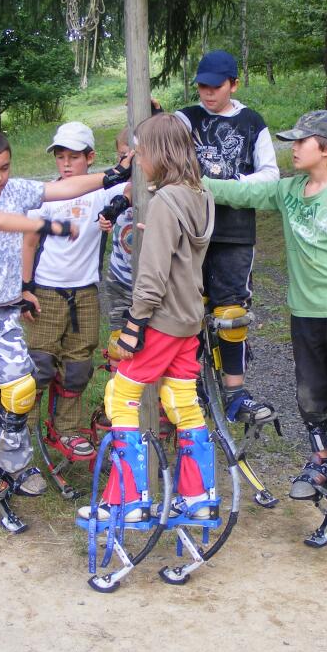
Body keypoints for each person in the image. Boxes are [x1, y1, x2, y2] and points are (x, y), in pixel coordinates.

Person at [0, 127, 131, 504]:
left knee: (20, 389)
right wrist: (45, 225)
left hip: (3, 309)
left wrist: (111, 175)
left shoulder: (15, 189)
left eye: (4, 168)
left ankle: (13, 465)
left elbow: (63, 189)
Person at [202, 110, 327, 519]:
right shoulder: (288, 190)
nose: (294, 148)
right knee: (311, 394)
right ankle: (322, 460)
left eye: (302, 141)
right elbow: (240, 194)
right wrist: (191, 182)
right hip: (305, 314)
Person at [78, 113, 215, 522]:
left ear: (159, 152)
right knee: (182, 400)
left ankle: (128, 499)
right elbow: (183, 254)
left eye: (141, 152)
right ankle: (198, 497)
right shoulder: (200, 194)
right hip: (189, 318)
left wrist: (133, 326)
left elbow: (153, 276)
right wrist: (155, 229)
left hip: (161, 320)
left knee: (120, 395)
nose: (137, 159)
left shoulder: (163, 203)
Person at [174, 49, 280, 426]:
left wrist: (230, 184)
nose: (207, 93)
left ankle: (235, 394)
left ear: (233, 84)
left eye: (215, 86)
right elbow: (154, 144)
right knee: (188, 309)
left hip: (234, 232)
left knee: (231, 312)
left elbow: (270, 176)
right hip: (190, 230)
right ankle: (188, 386)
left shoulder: (252, 122)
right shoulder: (185, 118)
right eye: (202, 86)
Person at [21, 122, 128, 458]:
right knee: (40, 363)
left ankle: (66, 430)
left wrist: (117, 206)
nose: (66, 164)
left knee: (78, 365)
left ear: (90, 157)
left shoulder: (102, 191)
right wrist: (25, 288)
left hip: (85, 292)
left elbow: (133, 183)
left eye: (74, 157)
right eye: (60, 157)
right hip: (47, 290)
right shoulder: (47, 196)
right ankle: (20, 430)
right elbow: (29, 242)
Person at [98, 128, 135, 372]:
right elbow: (107, 210)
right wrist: (106, 219)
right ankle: (116, 388)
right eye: (123, 156)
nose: (129, 163)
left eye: (134, 156)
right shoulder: (116, 185)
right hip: (120, 278)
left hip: (152, 283)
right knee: (118, 345)